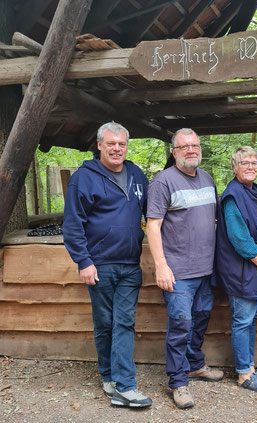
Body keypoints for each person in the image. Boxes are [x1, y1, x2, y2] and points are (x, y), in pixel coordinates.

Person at [63, 121, 151, 408]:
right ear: (99, 145)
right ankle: (108, 377)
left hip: (130, 263)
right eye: (111, 143)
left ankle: (125, 385)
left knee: (123, 322)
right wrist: (84, 262)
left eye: (121, 144)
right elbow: (73, 226)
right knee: (105, 323)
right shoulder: (83, 179)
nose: (117, 149)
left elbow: (153, 212)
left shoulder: (137, 174)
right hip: (99, 264)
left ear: (127, 146)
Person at [146, 128, 223, 409]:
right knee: (180, 326)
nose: (191, 150)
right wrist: (161, 266)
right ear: (174, 151)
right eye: (184, 146)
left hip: (205, 269)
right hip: (178, 272)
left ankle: (194, 365)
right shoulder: (163, 182)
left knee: (200, 320)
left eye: (195, 145)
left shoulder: (206, 178)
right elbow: (153, 226)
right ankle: (178, 382)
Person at [216, 146, 257, 392]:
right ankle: (243, 374)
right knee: (242, 320)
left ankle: (249, 367)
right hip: (242, 268)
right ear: (234, 167)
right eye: (244, 163)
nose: (250, 166)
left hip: (254, 269)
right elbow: (238, 235)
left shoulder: (255, 192)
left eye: (254, 162)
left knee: (249, 319)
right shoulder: (233, 196)